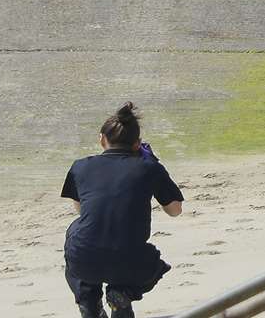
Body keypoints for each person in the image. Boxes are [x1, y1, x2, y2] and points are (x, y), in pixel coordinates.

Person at [62, 102, 184, 318]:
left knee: (77, 231)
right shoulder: (149, 167)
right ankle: (122, 293)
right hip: (131, 263)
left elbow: (81, 210)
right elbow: (175, 210)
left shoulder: (80, 166)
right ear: (137, 144)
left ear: (102, 139)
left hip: (84, 262)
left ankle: (89, 302)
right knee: (152, 261)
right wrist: (153, 165)